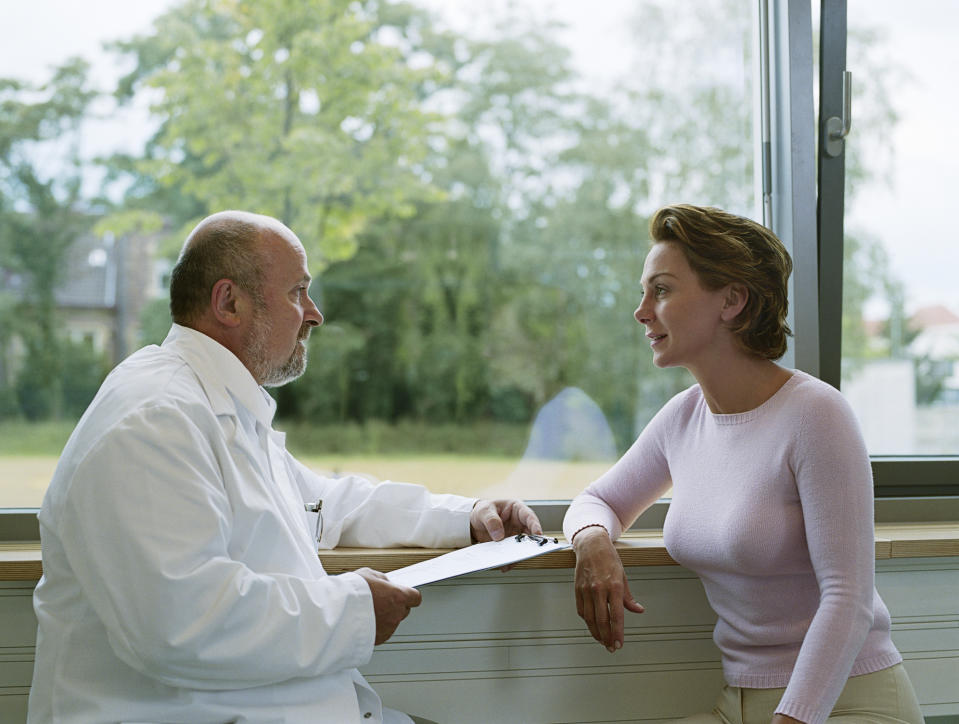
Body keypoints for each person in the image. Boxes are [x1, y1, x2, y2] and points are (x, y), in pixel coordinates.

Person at [28, 210, 542, 724]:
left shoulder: (216, 406)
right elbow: (182, 625)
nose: (314, 314)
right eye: (297, 292)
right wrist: (355, 608)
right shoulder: (153, 420)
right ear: (229, 301)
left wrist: (466, 517)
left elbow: (325, 502)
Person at [563, 205, 923, 724]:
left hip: (846, 703)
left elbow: (849, 599)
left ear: (732, 300)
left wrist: (791, 717)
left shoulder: (816, 414)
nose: (641, 311)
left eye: (661, 290)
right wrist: (592, 542)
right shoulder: (683, 418)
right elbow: (596, 501)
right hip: (738, 703)